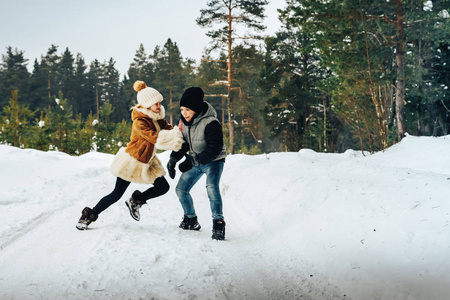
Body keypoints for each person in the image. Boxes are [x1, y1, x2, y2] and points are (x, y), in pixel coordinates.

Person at [76, 81, 184, 230]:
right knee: (116, 194)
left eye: (159, 103)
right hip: (133, 161)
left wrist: (180, 132)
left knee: (163, 187)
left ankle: (136, 200)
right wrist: (176, 139)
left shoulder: (157, 118)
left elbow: (169, 129)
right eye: (155, 104)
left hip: (148, 160)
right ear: (146, 105)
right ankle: (88, 216)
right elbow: (156, 138)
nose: (159, 106)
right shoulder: (140, 121)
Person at [167, 87, 227, 240]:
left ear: (196, 107)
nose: (184, 113)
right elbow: (184, 144)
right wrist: (173, 158)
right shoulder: (184, 123)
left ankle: (218, 222)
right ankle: (191, 219)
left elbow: (215, 147)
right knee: (181, 189)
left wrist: (194, 161)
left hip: (213, 161)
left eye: (187, 109)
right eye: (182, 109)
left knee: (211, 188)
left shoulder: (211, 122)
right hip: (196, 160)